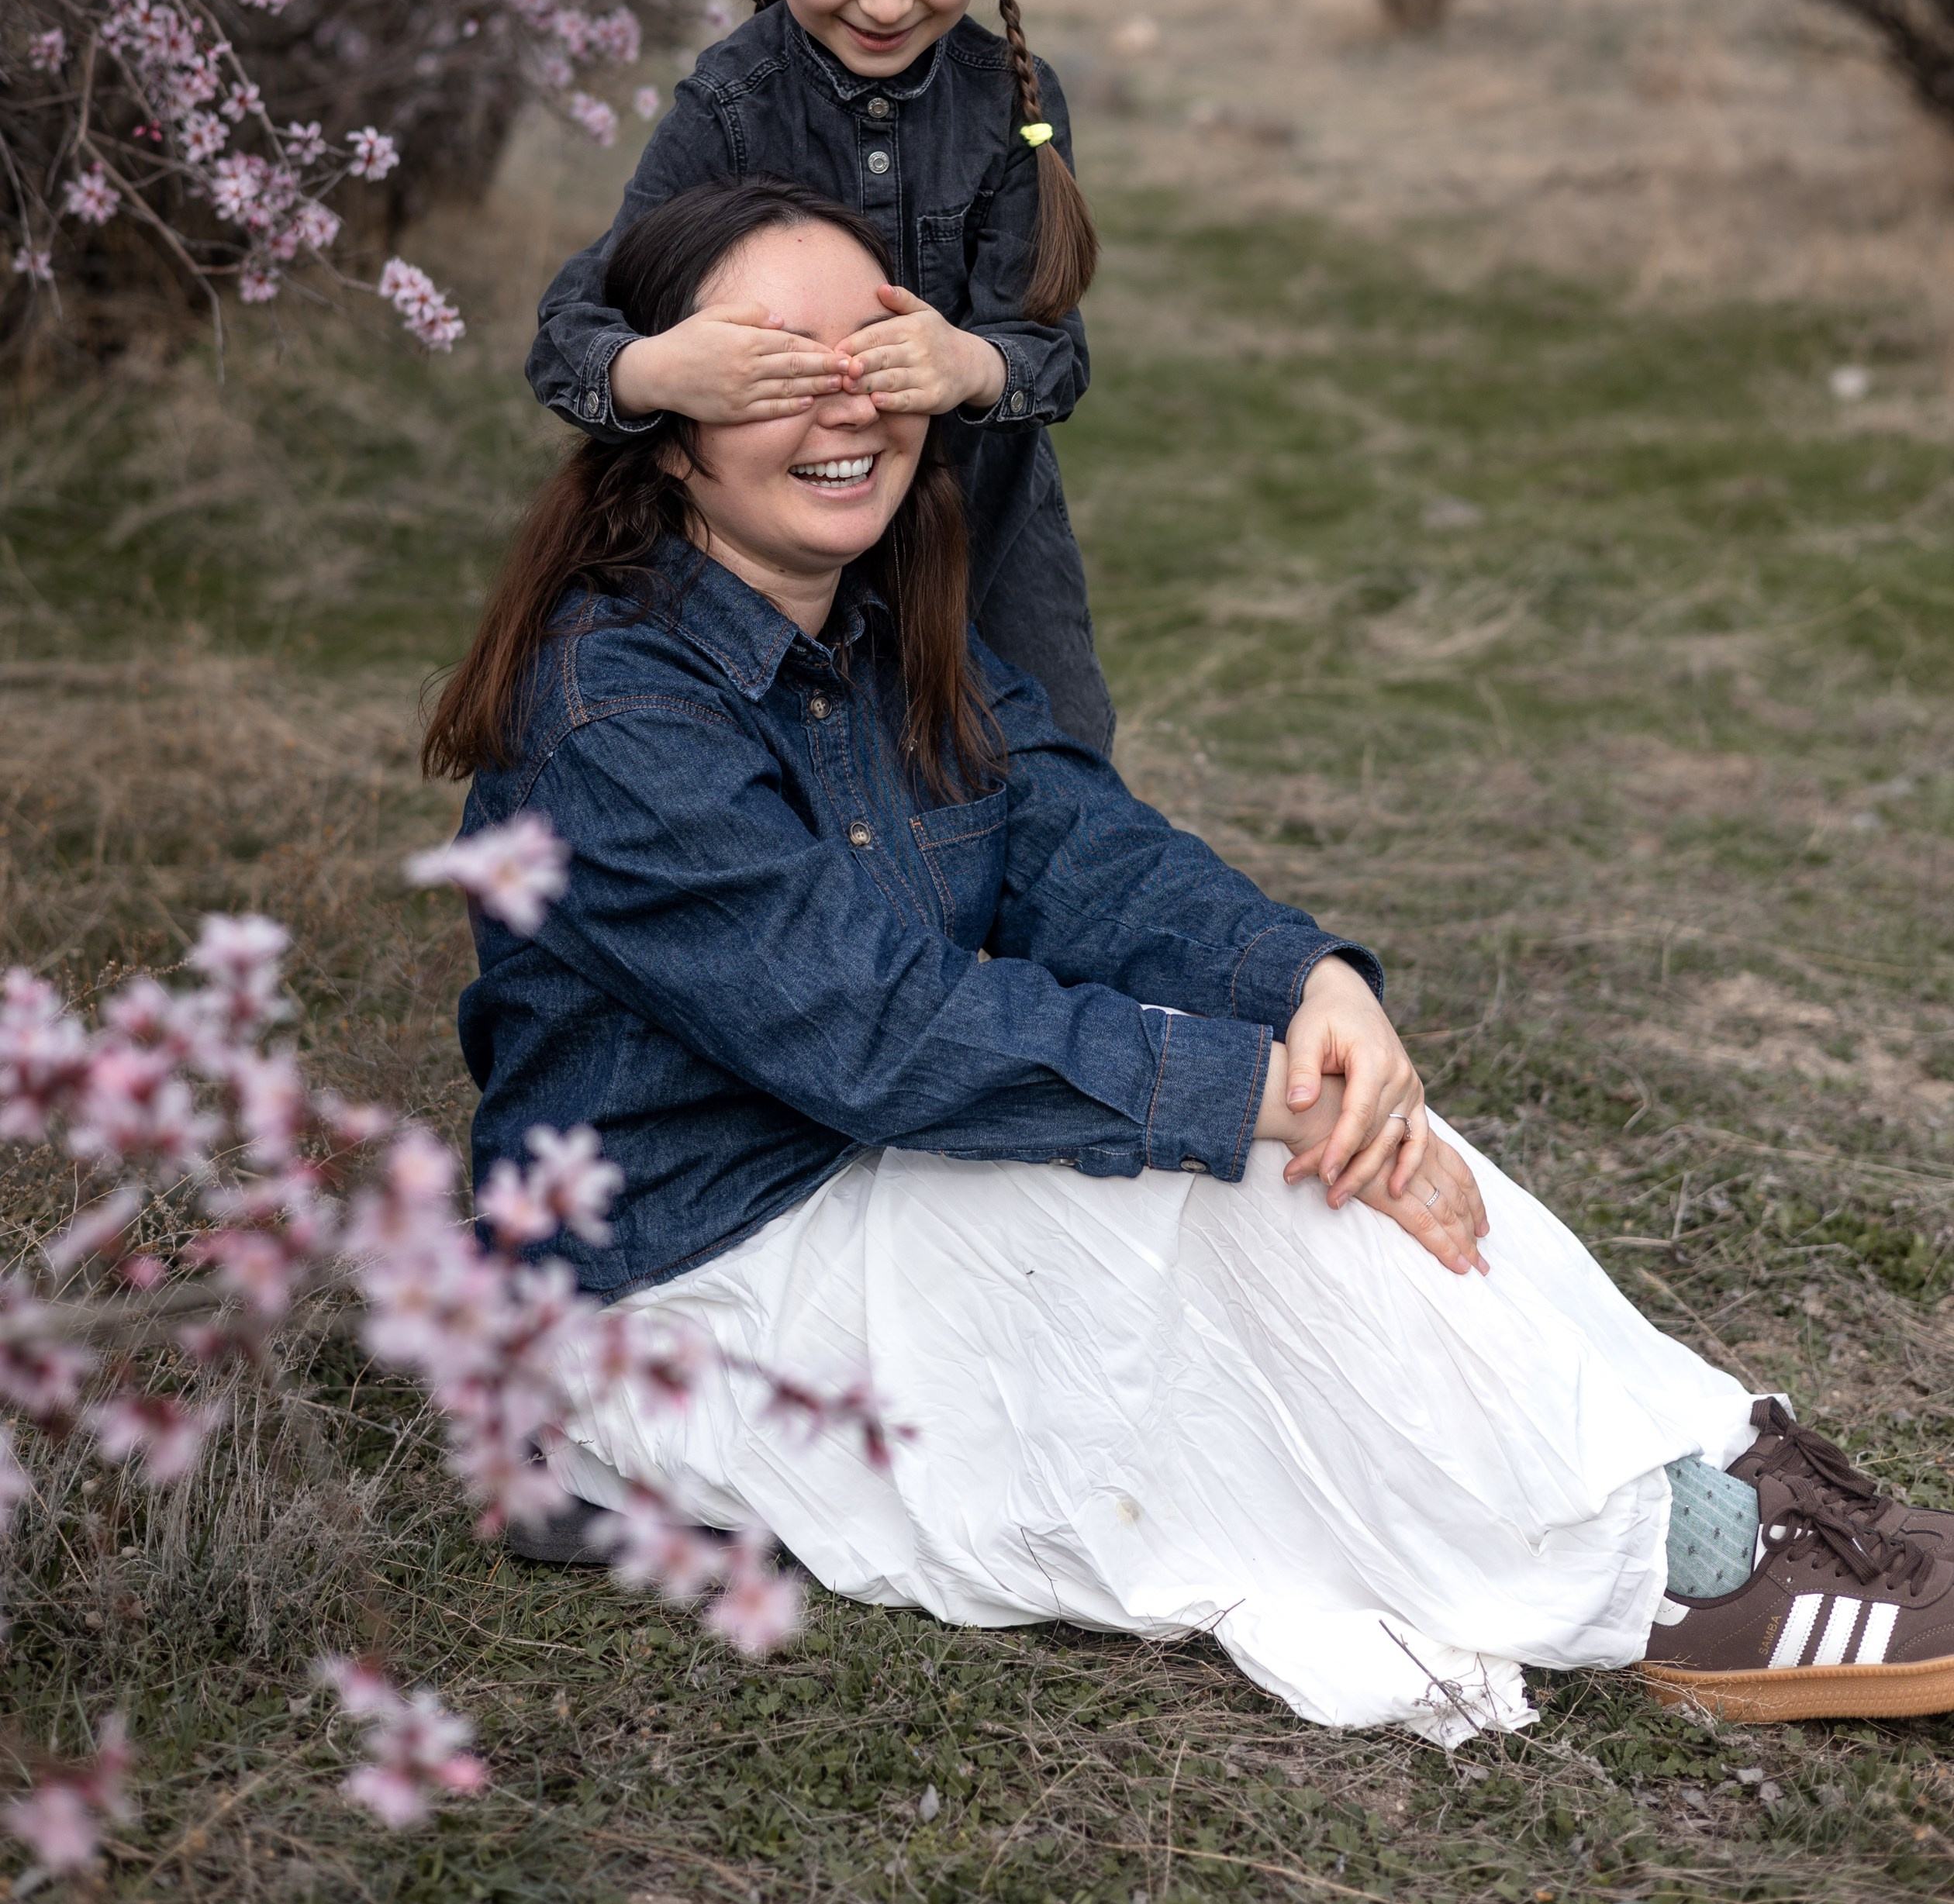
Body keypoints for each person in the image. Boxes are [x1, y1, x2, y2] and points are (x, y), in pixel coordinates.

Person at [435, 181, 1954, 1743]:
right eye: (774, 367)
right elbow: (871, 1031)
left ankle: (1726, 1482)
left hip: (856, 1177)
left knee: (1355, 1147)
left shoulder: (888, 620)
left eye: (875, 356)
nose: (846, 402)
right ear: (671, 423)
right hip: (688, 1286)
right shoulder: (615, 711)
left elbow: (1080, 843)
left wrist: (1305, 986)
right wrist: (1241, 1093)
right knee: (1222, 1189)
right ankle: (1669, 1584)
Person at [523, 0, 1117, 752]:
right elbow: (571, 332)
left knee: (1040, 781)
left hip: (984, 553)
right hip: (758, 562)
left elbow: (1053, 359)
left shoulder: (1012, 101)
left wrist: (968, 365)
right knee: (809, 799)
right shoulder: (731, 106)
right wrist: (661, 372)